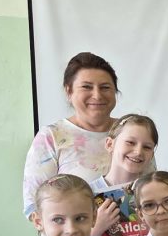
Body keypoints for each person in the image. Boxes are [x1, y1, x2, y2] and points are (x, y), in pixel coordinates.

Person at [23, 52, 154, 217]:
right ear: (69, 91)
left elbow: (152, 189)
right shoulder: (51, 136)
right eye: (86, 87)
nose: (97, 95)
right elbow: (34, 208)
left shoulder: (133, 133)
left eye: (105, 87)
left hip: (136, 232)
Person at [84, 113, 158, 236]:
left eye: (147, 147)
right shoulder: (87, 193)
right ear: (109, 144)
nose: (138, 152)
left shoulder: (155, 193)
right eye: (130, 142)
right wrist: (97, 230)